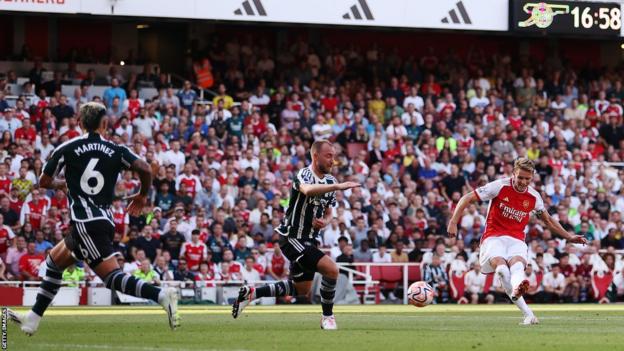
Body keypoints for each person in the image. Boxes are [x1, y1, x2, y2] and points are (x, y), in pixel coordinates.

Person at [8, 102, 179, 336]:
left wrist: (64, 184)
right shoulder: (117, 149)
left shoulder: (68, 147)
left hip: (86, 224)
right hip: (100, 222)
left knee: (111, 277)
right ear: (105, 124)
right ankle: (33, 319)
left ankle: (160, 295)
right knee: (53, 263)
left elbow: (45, 181)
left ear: (79, 123)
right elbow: (146, 169)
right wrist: (141, 196)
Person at [231, 140, 360, 330]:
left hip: (309, 239)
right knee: (332, 270)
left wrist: (325, 221)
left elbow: (329, 211)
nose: (333, 160)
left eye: (333, 156)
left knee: (302, 289)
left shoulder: (331, 180)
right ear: (315, 156)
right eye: (328, 156)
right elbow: (307, 190)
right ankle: (328, 317)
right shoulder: (304, 174)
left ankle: (251, 293)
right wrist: (338, 187)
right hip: (292, 237)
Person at [447, 157, 587, 325]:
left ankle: (523, 301)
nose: (523, 181)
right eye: (520, 177)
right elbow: (466, 198)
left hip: (516, 239)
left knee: (518, 265)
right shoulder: (499, 186)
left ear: (532, 177)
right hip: (494, 237)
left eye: (527, 179)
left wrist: (569, 237)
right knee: (502, 270)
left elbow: (548, 221)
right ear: (513, 173)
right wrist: (454, 222)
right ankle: (521, 300)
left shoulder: (534, 197)